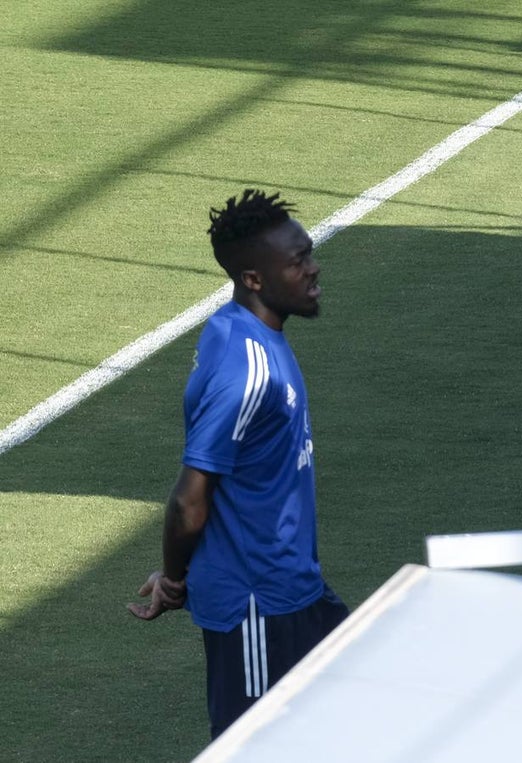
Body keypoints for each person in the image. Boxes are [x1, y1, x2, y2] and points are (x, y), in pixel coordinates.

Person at [128, 189, 348, 739]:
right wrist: (175, 579)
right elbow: (190, 495)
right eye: (297, 262)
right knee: (256, 747)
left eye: (309, 253)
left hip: (294, 586)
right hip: (259, 605)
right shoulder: (248, 372)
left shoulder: (238, 329)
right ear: (254, 279)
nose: (313, 269)